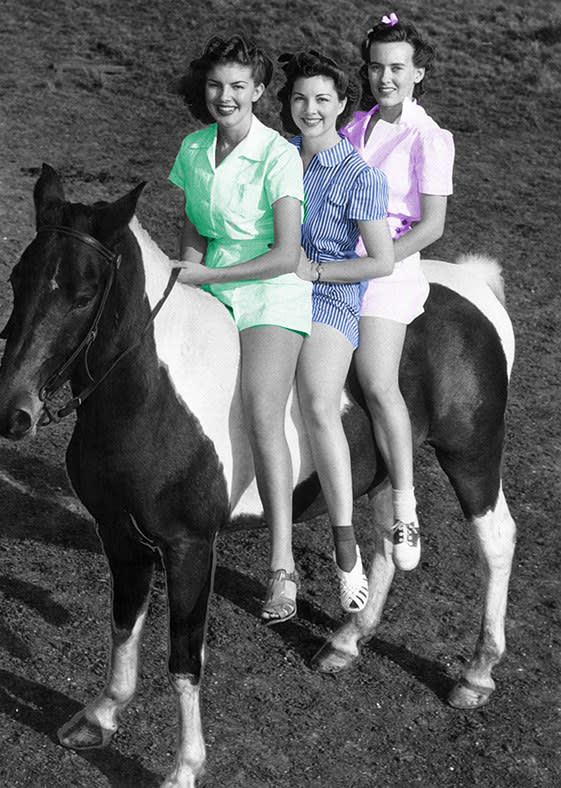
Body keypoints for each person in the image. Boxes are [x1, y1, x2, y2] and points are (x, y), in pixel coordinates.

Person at [169, 35, 312, 625]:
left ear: (258, 92)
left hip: (270, 293)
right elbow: (192, 230)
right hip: (211, 284)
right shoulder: (194, 147)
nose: (223, 97)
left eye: (236, 87)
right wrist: (188, 280)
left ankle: (282, 565)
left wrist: (210, 275)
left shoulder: (279, 154)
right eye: (214, 86)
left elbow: (286, 253)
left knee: (260, 409)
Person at [277, 50, 394, 612]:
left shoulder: (359, 175)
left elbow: (381, 260)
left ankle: (344, 546)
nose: (310, 109)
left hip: (329, 297)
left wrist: (316, 270)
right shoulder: (276, 160)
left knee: (320, 403)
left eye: (323, 99)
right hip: (270, 292)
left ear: (343, 105)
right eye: (300, 98)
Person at [340, 14, 455, 571]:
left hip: (391, 266)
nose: (384, 77)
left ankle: (406, 506)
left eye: (397, 68)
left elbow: (432, 226)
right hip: (340, 256)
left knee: (377, 380)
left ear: (419, 74)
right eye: (376, 66)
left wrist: (376, 259)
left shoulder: (429, 137)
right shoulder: (353, 125)